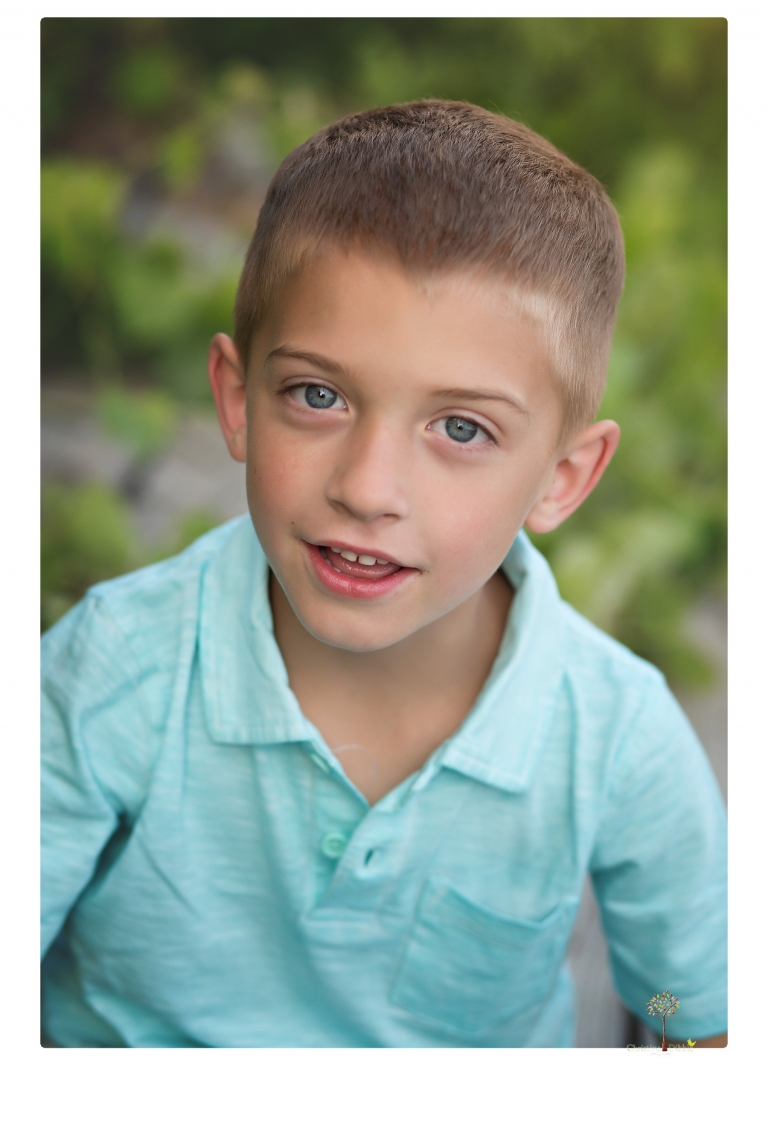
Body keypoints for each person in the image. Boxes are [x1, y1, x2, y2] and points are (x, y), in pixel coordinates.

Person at [41, 101, 726, 1049]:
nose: (367, 489)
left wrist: (667, 1039)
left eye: (461, 429)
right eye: (317, 396)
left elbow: (686, 1011)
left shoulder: (615, 736)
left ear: (561, 479)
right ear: (238, 403)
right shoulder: (111, 671)